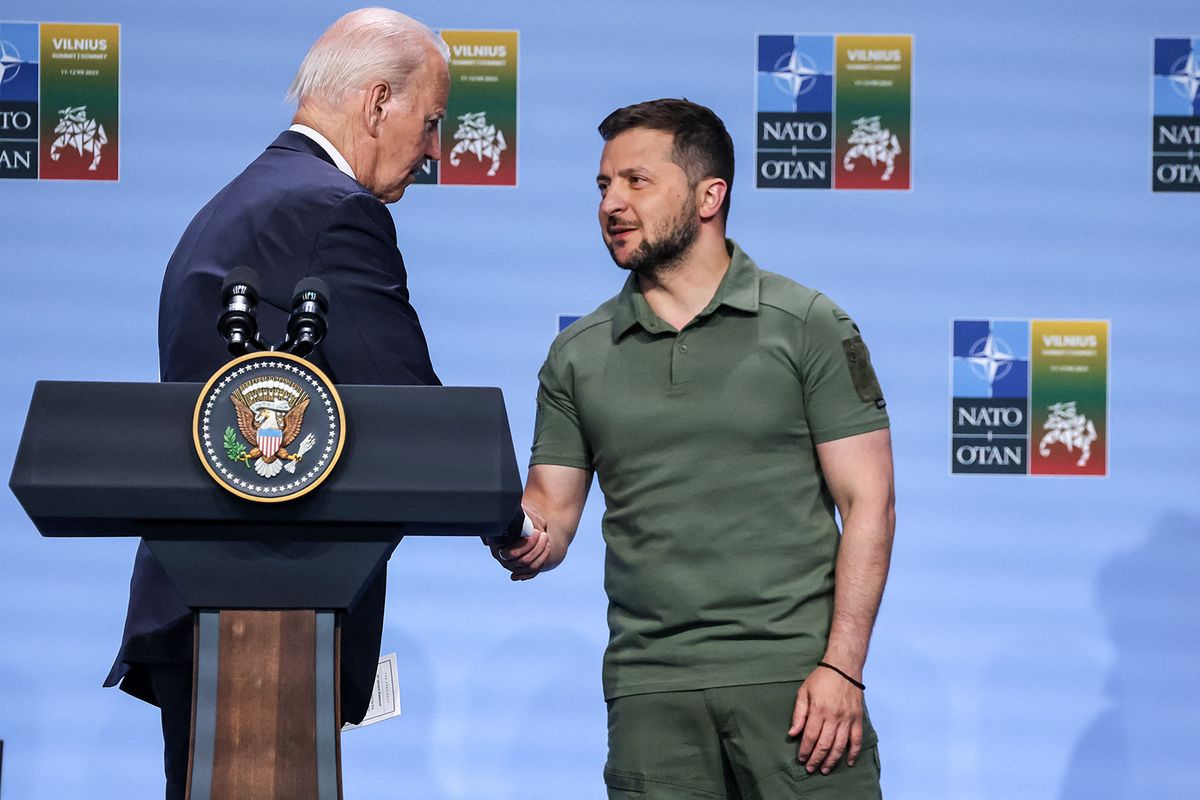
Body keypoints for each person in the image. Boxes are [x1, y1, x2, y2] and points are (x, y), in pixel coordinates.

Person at [491, 99, 896, 799]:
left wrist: (843, 667)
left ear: (711, 195)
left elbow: (870, 503)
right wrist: (510, 529)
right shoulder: (577, 354)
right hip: (651, 691)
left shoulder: (808, 326)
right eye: (603, 186)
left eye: (636, 182)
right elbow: (549, 519)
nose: (612, 203)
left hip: (798, 687)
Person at [105, 9, 449, 798]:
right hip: (270, 605)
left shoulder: (236, 203)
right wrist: (511, 522)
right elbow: (416, 417)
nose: (433, 151)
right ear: (375, 104)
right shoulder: (330, 210)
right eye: (429, 123)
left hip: (213, 603)